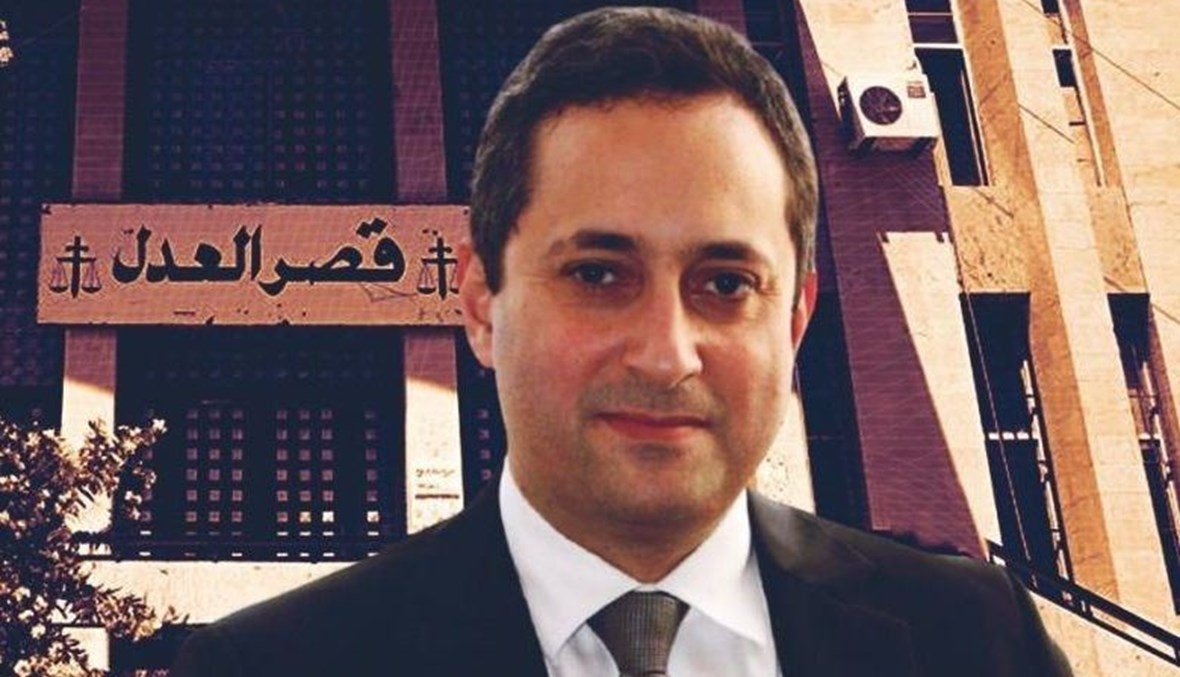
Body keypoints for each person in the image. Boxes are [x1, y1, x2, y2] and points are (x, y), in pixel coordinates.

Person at [171, 7, 1071, 676]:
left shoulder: (978, 642)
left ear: (795, 321)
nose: (666, 354)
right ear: (481, 301)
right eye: (599, 275)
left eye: (726, 283)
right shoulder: (271, 663)